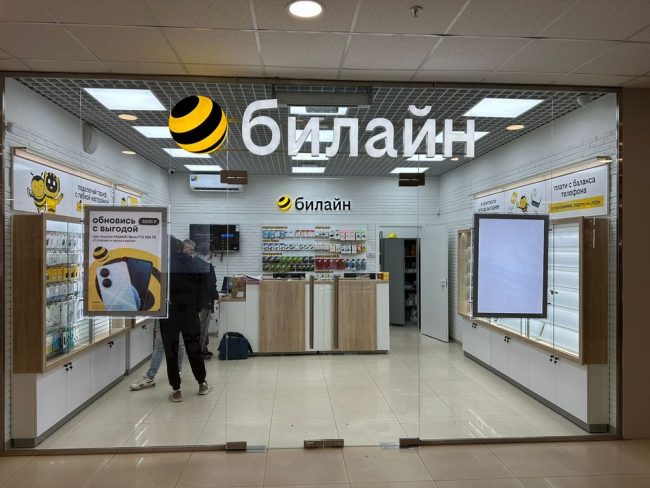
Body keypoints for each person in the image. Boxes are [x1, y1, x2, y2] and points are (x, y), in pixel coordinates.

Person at [159, 236, 213, 402]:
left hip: (169, 312)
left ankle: (176, 390)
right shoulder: (196, 264)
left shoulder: (163, 265)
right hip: (189, 312)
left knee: (171, 350)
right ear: (181, 247)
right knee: (194, 347)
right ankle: (202, 384)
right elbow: (202, 290)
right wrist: (195, 309)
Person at [128, 319, 185, 391]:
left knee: (179, 345)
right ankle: (150, 377)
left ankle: (177, 372)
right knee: (159, 347)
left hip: (179, 315)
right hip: (163, 316)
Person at [193, 241, 220, 359]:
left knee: (200, 326)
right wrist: (217, 296)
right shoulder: (206, 266)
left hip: (195, 301)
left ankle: (204, 348)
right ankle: (199, 352)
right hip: (204, 301)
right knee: (202, 327)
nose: (213, 256)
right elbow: (210, 285)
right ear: (209, 252)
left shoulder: (194, 263)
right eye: (213, 253)